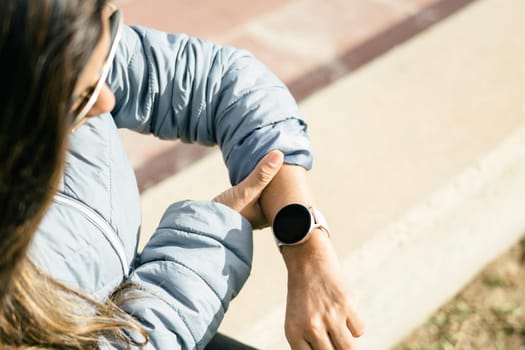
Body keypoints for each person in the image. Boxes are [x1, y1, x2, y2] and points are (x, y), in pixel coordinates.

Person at [0, 0, 364, 349]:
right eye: (78, 98)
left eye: (107, 46)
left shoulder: (47, 37)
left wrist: (306, 250)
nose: (106, 100)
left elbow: (224, 81)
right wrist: (208, 240)